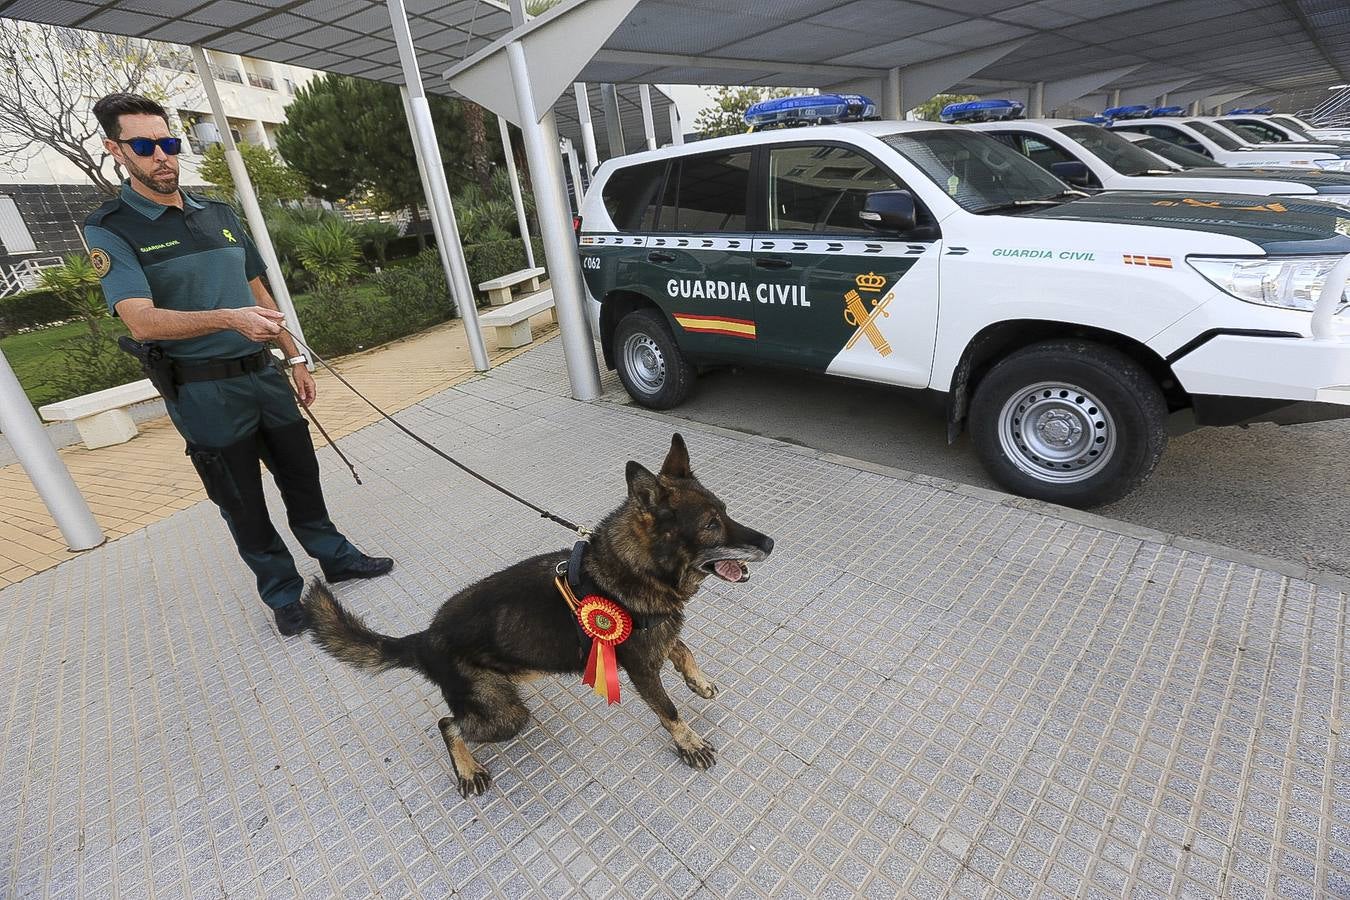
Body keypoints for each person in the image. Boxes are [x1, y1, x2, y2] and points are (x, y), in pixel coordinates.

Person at [83, 92, 392, 636]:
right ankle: (282, 593)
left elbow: (257, 291)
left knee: (302, 475)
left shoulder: (218, 213)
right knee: (241, 499)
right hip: (203, 393)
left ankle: (336, 557)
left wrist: (295, 357)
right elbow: (141, 320)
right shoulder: (111, 229)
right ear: (115, 150)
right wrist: (227, 318)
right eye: (145, 145)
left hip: (262, 374)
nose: (163, 156)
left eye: (170, 142)